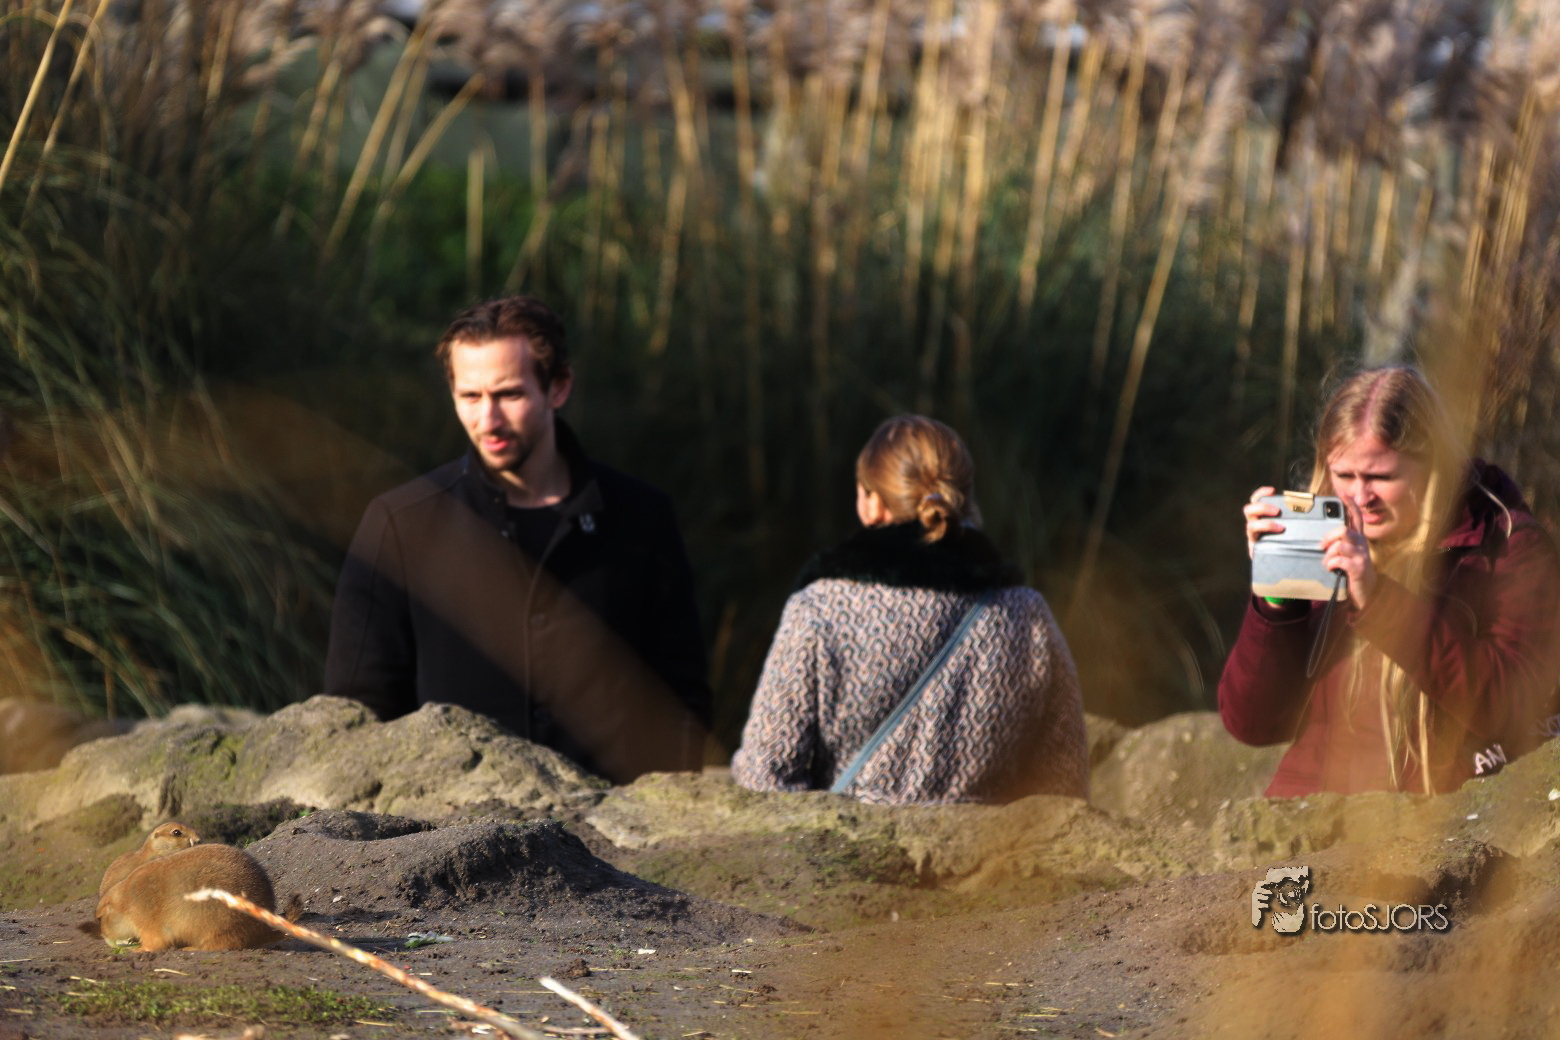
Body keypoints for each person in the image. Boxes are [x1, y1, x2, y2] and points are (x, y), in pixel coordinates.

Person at [324, 295, 711, 782]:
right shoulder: (399, 525)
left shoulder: (642, 517)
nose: (488, 421)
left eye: (509, 395)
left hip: (618, 819)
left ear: (559, 387)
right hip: (448, 819)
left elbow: (681, 697)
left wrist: (662, 812)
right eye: (470, 397)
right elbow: (358, 713)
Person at [1220, 365, 1560, 796]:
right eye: (1345, 476)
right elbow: (1253, 724)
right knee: (1274, 853)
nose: (1361, 498)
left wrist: (1380, 602)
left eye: (1381, 478)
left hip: (1440, 819)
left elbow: (1511, 705)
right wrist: (1276, 597)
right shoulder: (1324, 538)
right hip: (1314, 816)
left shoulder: (1510, 548)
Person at [731, 416, 1088, 804]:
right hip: (987, 846)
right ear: (966, 501)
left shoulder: (819, 610)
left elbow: (764, 777)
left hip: (849, 843)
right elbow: (1064, 787)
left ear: (873, 505)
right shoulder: (1029, 617)